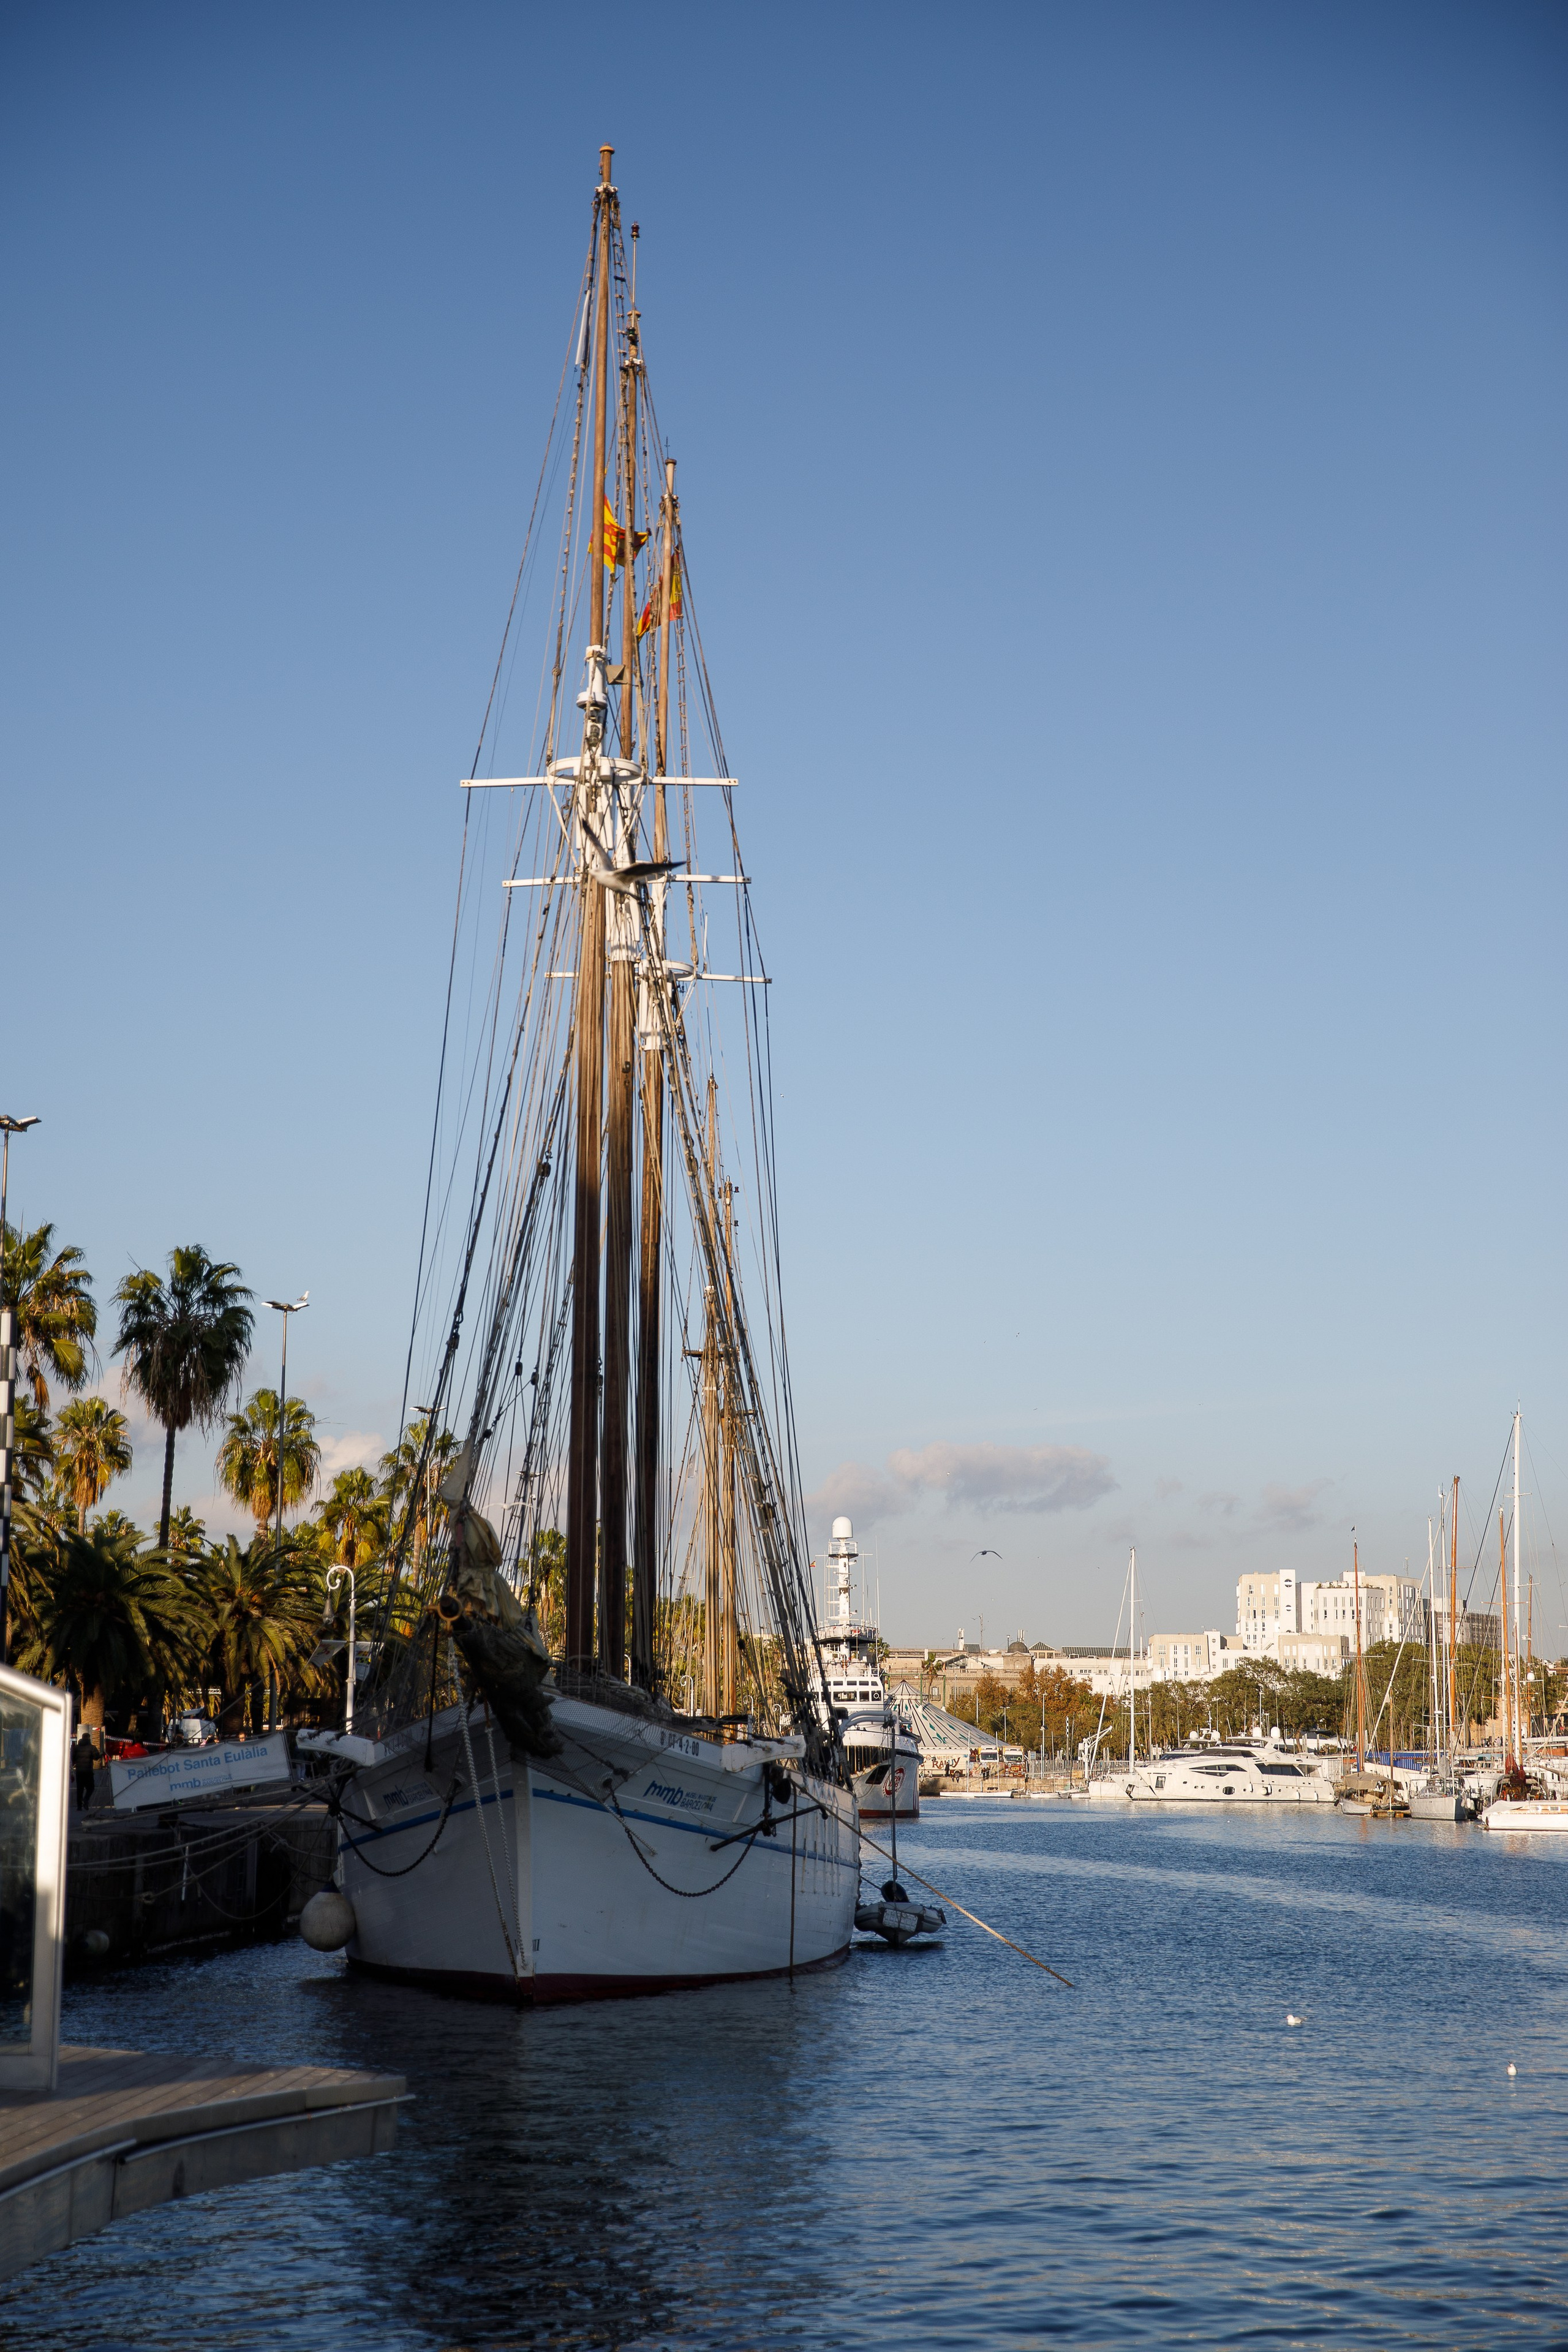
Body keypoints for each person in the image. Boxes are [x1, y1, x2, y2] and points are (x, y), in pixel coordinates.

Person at [72, 1727, 96, 1814]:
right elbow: (96, 1757)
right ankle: (86, 1799)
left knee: (80, 1789)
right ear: (89, 1738)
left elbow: (73, 1758)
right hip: (88, 1771)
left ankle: (79, 1806)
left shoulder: (76, 1748)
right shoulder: (92, 1747)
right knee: (91, 1787)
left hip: (79, 1771)